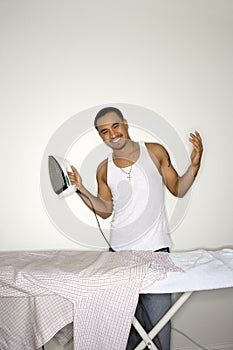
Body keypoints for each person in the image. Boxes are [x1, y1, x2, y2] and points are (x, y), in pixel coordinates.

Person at [68, 107, 203, 350]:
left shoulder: (154, 151)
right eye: (104, 131)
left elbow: (178, 189)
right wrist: (81, 189)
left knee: (159, 325)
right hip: (118, 255)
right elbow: (105, 210)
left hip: (156, 253)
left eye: (115, 126)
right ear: (101, 136)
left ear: (125, 123)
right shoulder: (103, 168)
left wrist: (195, 165)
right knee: (123, 326)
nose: (112, 134)